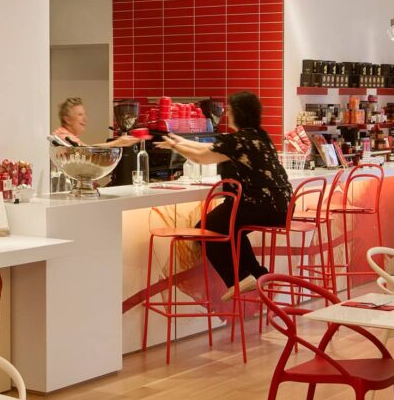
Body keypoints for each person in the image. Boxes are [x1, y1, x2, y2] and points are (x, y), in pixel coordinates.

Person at [155, 90, 291, 300]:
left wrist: (176, 147)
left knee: (205, 229)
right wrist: (179, 141)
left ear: (237, 113)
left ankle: (236, 279)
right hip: (282, 209)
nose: (227, 113)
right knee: (231, 229)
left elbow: (202, 158)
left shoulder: (237, 140)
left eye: (228, 110)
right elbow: (210, 147)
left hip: (256, 205)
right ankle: (256, 274)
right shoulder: (260, 136)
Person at [52, 97, 138, 148]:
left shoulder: (70, 137)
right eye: (80, 114)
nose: (85, 119)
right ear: (67, 119)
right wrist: (117, 143)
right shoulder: (62, 136)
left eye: (84, 114)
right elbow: (86, 152)